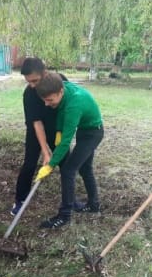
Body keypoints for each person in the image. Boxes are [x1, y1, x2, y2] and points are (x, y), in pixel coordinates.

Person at [34, 72, 104, 228]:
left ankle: (64, 216)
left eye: (49, 100)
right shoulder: (62, 88)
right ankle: (93, 205)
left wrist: (50, 164)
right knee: (85, 169)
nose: (46, 104)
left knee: (68, 170)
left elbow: (65, 143)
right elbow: (60, 109)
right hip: (84, 130)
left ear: (60, 91)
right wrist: (58, 129)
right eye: (44, 100)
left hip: (93, 133)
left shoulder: (75, 104)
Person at [12, 58, 68, 216]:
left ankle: (69, 201)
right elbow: (36, 123)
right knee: (29, 164)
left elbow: (68, 105)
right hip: (36, 131)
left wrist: (61, 133)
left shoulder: (60, 81)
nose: (32, 85)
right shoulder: (29, 94)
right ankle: (20, 200)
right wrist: (45, 151)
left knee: (66, 163)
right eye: (28, 81)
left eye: (35, 80)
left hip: (57, 130)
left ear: (45, 73)